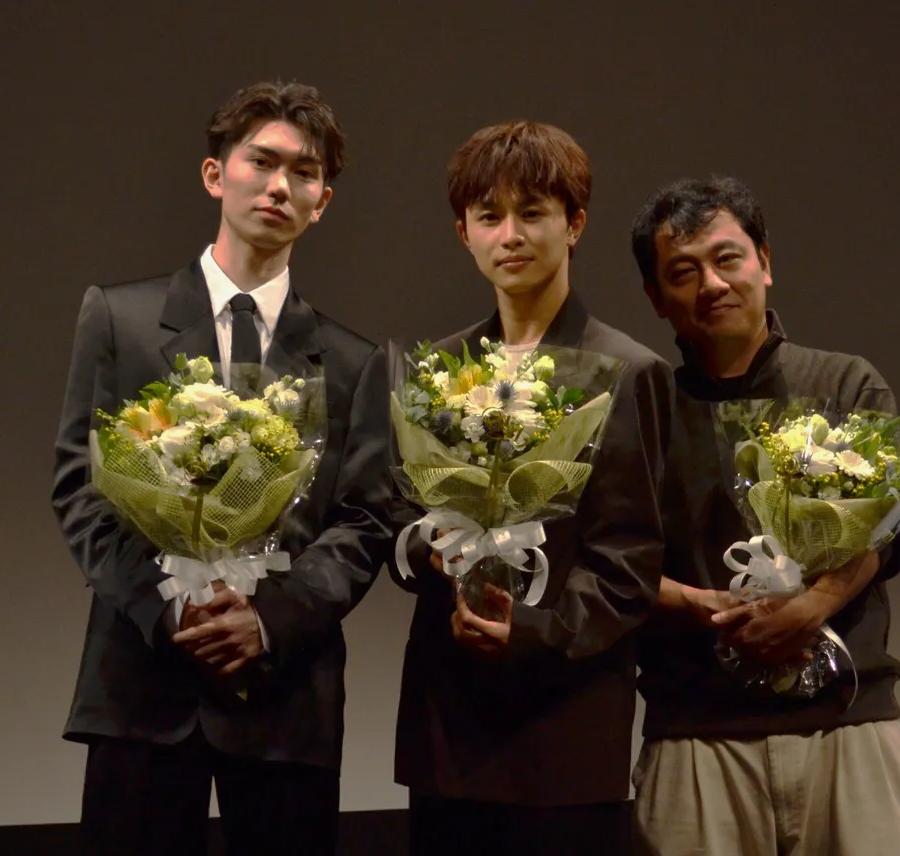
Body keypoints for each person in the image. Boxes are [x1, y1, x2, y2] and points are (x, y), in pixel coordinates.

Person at [50, 80, 393, 856]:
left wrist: (268, 621)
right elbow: (80, 484)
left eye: (302, 173)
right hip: (141, 681)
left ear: (322, 201)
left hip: (284, 694)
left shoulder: (352, 360)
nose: (280, 186)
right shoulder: (121, 318)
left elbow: (364, 519)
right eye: (261, 161)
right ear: (216, 175)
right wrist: (168, 608)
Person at [388, 120, 673, 856]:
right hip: (449, 732)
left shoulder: (626, 371)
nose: (510, 234)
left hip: (564, 730)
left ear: (574, 224)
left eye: (533, 213)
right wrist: (430, 549)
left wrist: (534, 629)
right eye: (489, 216)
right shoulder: (439, 369)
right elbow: (401, 515)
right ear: (465, 233)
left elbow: (630, 561)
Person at [629, 175, 900, 856]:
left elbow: (894, 529)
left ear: (765, 260)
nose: (712, 283)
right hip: (697, 735)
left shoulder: (846, 382)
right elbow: (615, 563)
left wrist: (811, 606)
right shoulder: (641, 411)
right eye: (683, 271)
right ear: (656, 299)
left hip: (847, 725)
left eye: (728, 258)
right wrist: (699, 605)